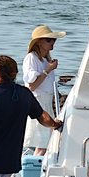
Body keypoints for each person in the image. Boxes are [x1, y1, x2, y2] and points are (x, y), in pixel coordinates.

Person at [23, 25, 66, 156]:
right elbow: (32, 86)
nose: (52, 43)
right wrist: (48, 70)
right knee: (43, 143)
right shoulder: (32, 58)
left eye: (54, 40)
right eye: (48, 40)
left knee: (46, 142)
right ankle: (35, 172)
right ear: (39, 41)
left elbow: (43, 82)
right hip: (39, 102)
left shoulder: (45, 59)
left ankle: (35, 169)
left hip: (47, 101)